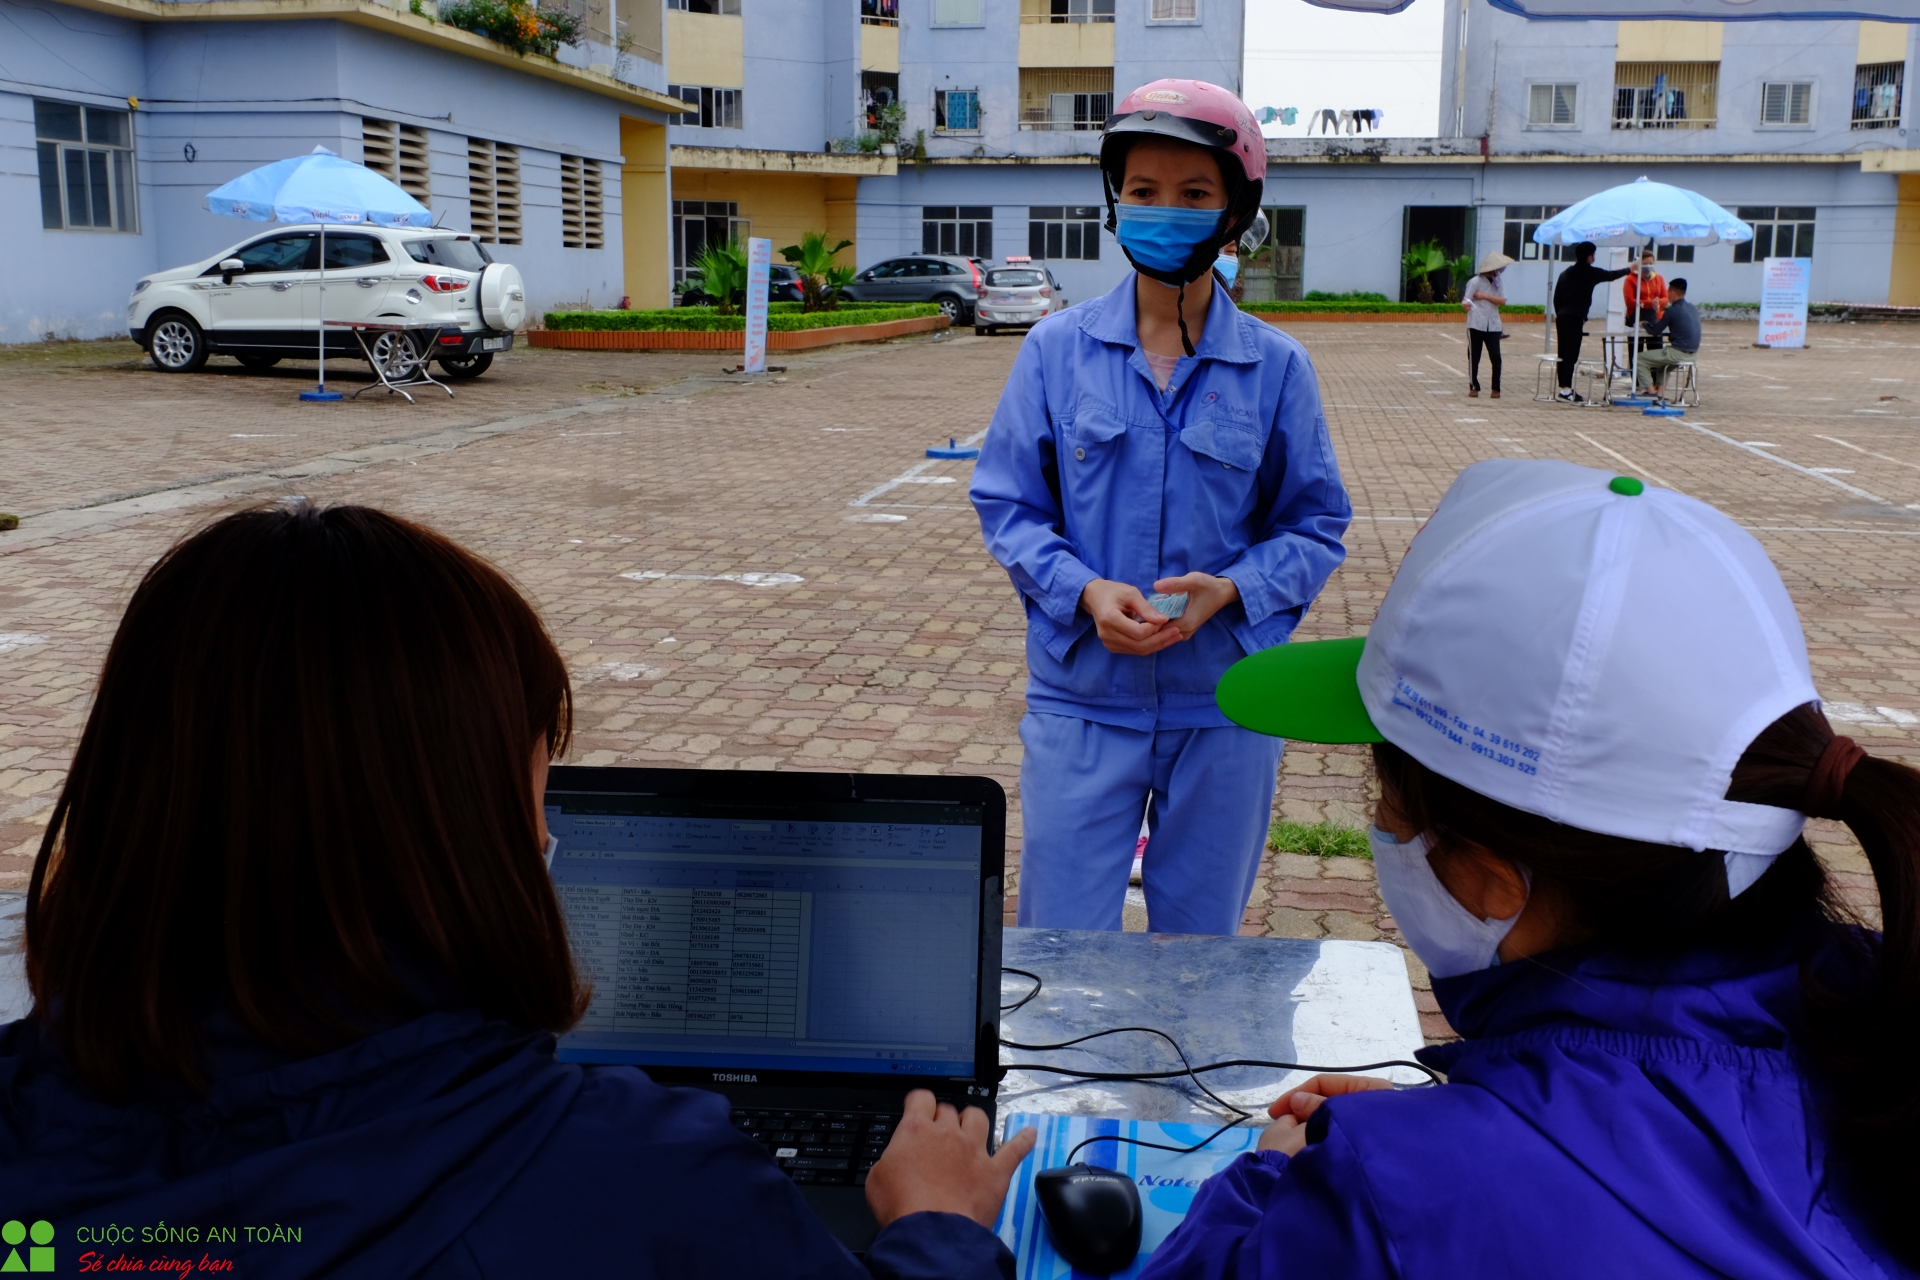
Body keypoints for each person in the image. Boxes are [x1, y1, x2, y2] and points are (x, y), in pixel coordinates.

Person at [0, 502, 1034, 1278]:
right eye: (537, 778)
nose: (547, 829)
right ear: (469, 821)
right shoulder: (635, 1178)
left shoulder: (30, 1123)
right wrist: (938, 1229)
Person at [1141, 457, 1920, 1278]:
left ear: (1490, 882)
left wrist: (1303, 1175)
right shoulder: (1884, 1015)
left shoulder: (1389, 1206)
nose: (1378, 828)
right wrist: (1479, 1133)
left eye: (1387, 806)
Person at [970, 79, 1351, 936]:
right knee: (1058, 946)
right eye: (1143, 193)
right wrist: (1081, 591)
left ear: (1233, 212)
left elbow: (1315, 522)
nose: (1163, 211)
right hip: (1082, 696)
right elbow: (1008, 504)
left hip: (1225, 703)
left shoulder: (1276, 367)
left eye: (1193, 195)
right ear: (1115, 203)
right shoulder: (1054, 352)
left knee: (1199, 945)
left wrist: (1234, 588)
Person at [1551, 241, 1632, 404]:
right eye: (1593, 254)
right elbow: (1611, 275)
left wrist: (1560, 312)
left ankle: (1564, 388)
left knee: (1563, 352)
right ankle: (1566, 390)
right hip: (1575, 318)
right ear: (1589, 257)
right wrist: (1630, 269)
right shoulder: (1590, 272)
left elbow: (1556, 298)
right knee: (1571, 354)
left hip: (1562, 316)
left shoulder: (1565, 273)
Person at [1459, 251, 1512, 399]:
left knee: (1496, 356)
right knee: (1474, 356)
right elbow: (1466, 300)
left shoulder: (1498, 281)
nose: (1499, 271)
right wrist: (1467, 305)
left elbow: (1503, 301)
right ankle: (1474, 385)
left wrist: (1485, 296)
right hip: (1476, 322)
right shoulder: (1475, 282)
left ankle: (1496, 388)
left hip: (1493, 324)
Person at [1637, 276, 1700, 398]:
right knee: (1662, 364)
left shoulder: (1672, 310)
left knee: (1639, 358)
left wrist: (1644, 323)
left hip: (1678, 352)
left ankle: (1651, 392)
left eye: (1667, 291)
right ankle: (1660, 393)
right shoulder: (1692, 308)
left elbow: (1655, 331)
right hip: (1692, 354)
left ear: (1672, 292)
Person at [1622, 244, 1668, 337]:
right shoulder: (1630, 279)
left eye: (1651, 264)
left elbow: (1665, 297)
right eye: (1645, 264)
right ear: (1639, 264)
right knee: (1636, 349)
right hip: (1635, 318)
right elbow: (1629, 301)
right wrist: (1649, 303)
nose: (1648, 266)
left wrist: (1658, 302)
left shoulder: (1659, 278)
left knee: (1656, 348)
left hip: (1655, 318)